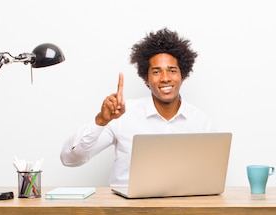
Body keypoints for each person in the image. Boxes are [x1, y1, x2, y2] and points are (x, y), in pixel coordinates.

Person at [60, 28, 214, 186]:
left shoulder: (200, 122)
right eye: (156, 72)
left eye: (172, 70)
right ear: (146, 78)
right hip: (128, 209)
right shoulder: (122, 116)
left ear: (183, 75)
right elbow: (70, 159)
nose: (165, 78)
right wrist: (101, 120)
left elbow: (209, 178)